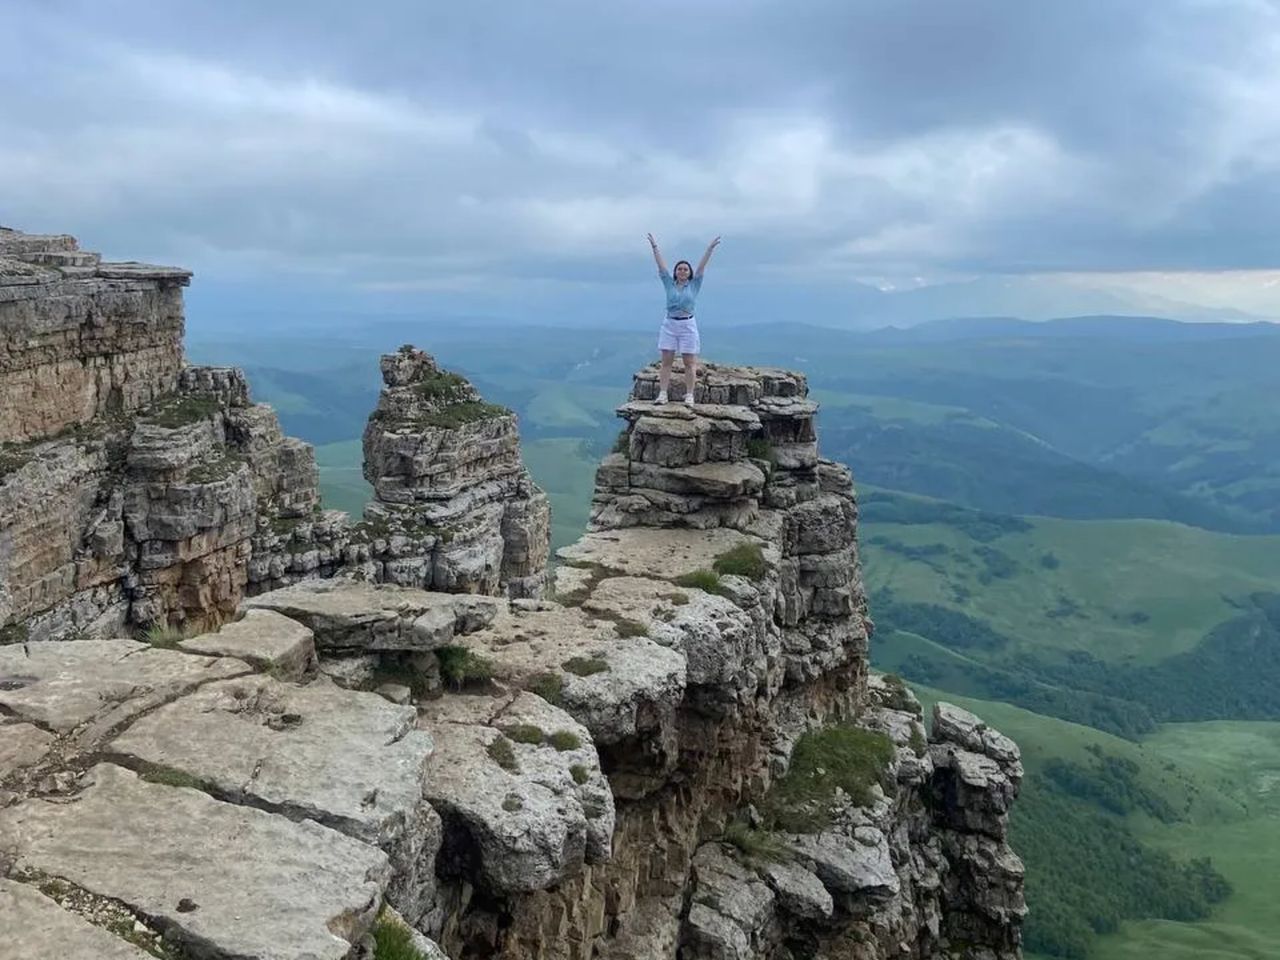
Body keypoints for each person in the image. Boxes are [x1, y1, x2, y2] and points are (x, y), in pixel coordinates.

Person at [647, 233, 720, 404]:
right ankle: (663, 394)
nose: (682, 271)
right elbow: (661, 267)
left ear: (689, 273)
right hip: (670, 324)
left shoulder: (694, 285)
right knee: (666, 361)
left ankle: (689, 395)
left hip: (687, 324)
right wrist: (655, 247)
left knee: (689, 362)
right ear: (675, 272)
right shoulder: (668, 283)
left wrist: (709, 249)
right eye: (679, 269)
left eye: (685, 269)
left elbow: (702, 267)